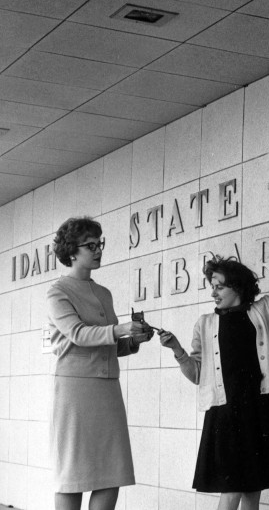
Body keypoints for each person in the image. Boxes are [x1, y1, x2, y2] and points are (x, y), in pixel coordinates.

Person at [159, 206, 269, 510]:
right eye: (212, 287)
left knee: (252, 494)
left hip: (260, 407)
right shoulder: (204, 324)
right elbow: (197, 375)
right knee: (230, 493)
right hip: (226, 414)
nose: (213, 293)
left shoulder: (261, 311)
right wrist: (178, 351)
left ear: (238, 287)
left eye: (219, 286)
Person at [47, 217, 154, 510]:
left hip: (107, 388)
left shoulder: (103, 292)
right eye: (90, 245)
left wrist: (134, 339)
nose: (98, 250)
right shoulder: (58, 292)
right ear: (71, 251)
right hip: (76, 390)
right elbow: (79, 335)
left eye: (100, 244)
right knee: (73, 473)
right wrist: (120, 330)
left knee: (112, 470)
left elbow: (108, 343)